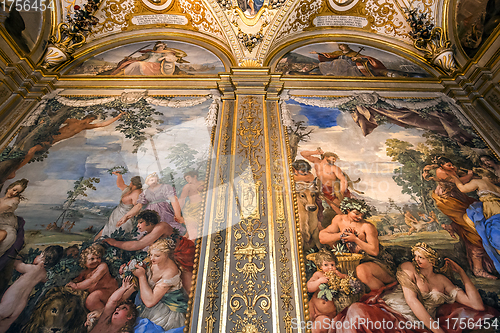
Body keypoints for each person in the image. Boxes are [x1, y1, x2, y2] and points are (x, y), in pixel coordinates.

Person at [331, 243, 493, 333]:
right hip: (391, 312)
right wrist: (437, 331)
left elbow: (477, 305)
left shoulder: (443, 282)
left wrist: (463, 274)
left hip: (416, 324)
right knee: (356, 310)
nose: (416, 259)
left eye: (420, 257)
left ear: (432, 261)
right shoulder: (409, 268)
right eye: (415, 256)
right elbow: (412, 301)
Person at [423, 156, 496, 279]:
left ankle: (452, 227)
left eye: (451, 164)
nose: (452, 167)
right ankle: (478, 269)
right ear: (442, 166)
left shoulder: (450, 170)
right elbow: (459, 181)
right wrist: (470, 175)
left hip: (458, 198)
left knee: (477, 226)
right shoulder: (441, 172)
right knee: (474, 232)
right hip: (449, 201)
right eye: (449, 165)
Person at [9, 113, 125, 179]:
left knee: (32, 150)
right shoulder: (73, 121)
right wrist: (42, 122)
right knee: (31, 150)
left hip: (51, 142)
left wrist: (118, 116)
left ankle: (15, 169)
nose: (90, 122)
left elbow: (102, 124)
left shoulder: (85, 127)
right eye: (91, 120)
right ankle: (15, 169)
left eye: (92, 121)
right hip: (49, 137)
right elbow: (60, 119)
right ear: (87, 117)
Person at [104, 210, 194, 294]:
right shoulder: (149, 234)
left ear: (150, 222)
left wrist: (114, 243)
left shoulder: (161, 226)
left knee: (190, 288)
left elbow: (138, 245)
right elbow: (139, 248)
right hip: (172, 259)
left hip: (184, 253)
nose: (138, 225)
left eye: (140, 222)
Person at [319, 198, 395, 291]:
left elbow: (374, 251)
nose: (360, 217)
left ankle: (382, 294)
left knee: (361, 271)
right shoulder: (339, 219)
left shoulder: (367, 226)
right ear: (348, 210)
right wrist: (340, 235)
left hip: (376, 261)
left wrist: (355, 239)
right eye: (356, 213)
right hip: (353, 261)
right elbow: (322, 238)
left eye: (362, 215)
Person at [0, 245, 63, 333]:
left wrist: (18, 257)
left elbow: (17, 265)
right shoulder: (44, 275)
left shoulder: (31, 268)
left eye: (40, 254)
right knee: (6, 323)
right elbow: (48, 281)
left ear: (42, 256)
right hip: (21, 304)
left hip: (12, 298)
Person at [132, 239, 188, 331]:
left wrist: (141, 276)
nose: (152, 258)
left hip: (165, 312)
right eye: (150, 255)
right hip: (149, 301)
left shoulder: (170, 272)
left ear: (166, 255)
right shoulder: (155, 262)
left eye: (157, 256)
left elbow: (150, 302)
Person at [453, 167, 500, 274]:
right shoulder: (496, 188)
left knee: (495, 238)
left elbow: (462, 189)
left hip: (491, 211)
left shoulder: (478, 182)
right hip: (497, 209)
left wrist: (455, 178)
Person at [117, 172, 186, 236]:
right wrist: (126, 216)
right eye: (151, 180)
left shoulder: (165, 187)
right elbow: (138, 206)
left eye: (155, 180)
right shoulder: (145, 192)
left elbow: (174, 200)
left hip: (164, 211)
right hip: (150, 213)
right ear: (147, 182)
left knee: (166, 230)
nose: (153, 182)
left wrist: (178, 215)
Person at [67, 243, 119, 311]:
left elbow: (92, 280)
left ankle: (104, 315)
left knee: (92, 299)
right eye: (92, 259)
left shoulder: (102, 266)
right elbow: (77, 280)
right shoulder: (84, 272)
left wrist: (76, 286)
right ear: (84, 262)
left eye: (98, 258)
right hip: (99, 294)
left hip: (109, 291)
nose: (96, 260)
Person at [307, 249, 348, 333]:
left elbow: (348, 279)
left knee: (320, 327)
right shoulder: (318, 274)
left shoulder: (337, 275)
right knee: (304, 321)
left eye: (332, 264)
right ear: (320, 266)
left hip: (326, 314)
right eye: (326, 264)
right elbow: (309, 287)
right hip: (313, 307)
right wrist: (319, 281)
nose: (330, 267)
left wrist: (341, 276)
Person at [95, 172, 142, 240]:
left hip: (124, 217)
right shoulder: (129, 189)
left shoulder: (137, 193)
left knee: (117, 235)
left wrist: (125, 217)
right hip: (116, 215)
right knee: (105, 233)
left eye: (131, 182)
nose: (130, 183)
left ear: (133, 183)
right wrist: (119, 175)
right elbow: (120, 185)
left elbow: (137, 207)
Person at [301, 148, 349, 214]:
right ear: (326, 157)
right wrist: (315, 152)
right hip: (322, 187)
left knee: (337, 206)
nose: (334, 161)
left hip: (333, 189)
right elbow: (303, 154)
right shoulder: (316, 161)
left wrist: (341, 191)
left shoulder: (334, 168)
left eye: (335, 159)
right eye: (333, 158)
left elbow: (343, 179)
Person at [108, 42, 189, 76]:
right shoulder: (150, 53)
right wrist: (131, 58)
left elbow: (171, 58)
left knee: (136, 64)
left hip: (155, 67)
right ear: (157, 47)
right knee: (131, 63)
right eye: (161, 46)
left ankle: (120, 75)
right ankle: (119, 74)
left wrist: (166, 57)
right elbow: (140, 58)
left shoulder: (165, 53)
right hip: (146, 64)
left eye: (163, 47)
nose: (162, 48)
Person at [310, 44, 388, 77]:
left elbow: (363, 58)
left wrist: (357, 59)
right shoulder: (338, 53)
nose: (342, 47)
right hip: (337, 64)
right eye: (341, 46)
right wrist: (317, 53)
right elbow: (329, 55)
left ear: (346, 46)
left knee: (338, 62)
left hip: (348, 64)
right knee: (325, 64)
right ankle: (320, 70)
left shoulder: (353, 53)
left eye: (343, 45)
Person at [0, 178, 28, 259]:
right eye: (14, 190)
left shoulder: (15, 200)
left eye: (17, 192)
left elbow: (4, 208)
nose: (14, 193)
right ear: (9, 188)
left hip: (7, 227)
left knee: (7, 237)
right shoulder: (0, 200)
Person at [178, 170, 204, 240]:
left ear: (195, 176)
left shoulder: (203, 183)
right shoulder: (187, 186)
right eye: (186, 179)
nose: (187, 180)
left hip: (203, 208)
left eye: (188, 178)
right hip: (192, 210)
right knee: (192, 231)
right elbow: (182, 200)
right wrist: (177, 213)